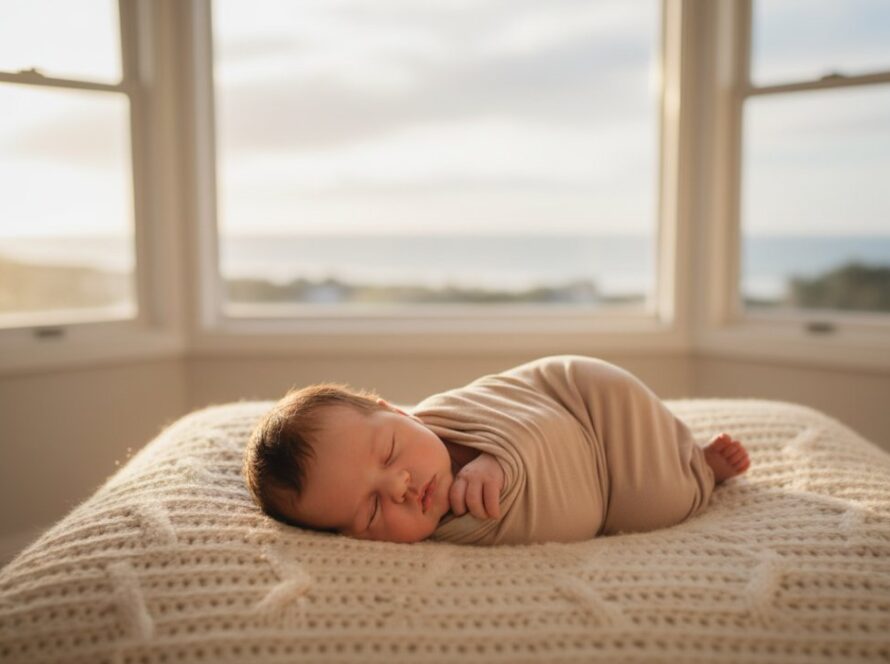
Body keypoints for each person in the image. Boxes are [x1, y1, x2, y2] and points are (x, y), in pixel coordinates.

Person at [244, 355, 750, 545]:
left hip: (585, 407)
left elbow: (544, 418)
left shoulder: (448, 417)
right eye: (371, 508)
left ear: (397, 412)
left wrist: (500, 457)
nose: (400, 486)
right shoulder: (442, 540)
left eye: (391, 452)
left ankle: (699, 464)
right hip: (591, 478)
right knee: (642, 508)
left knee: (660, 499)